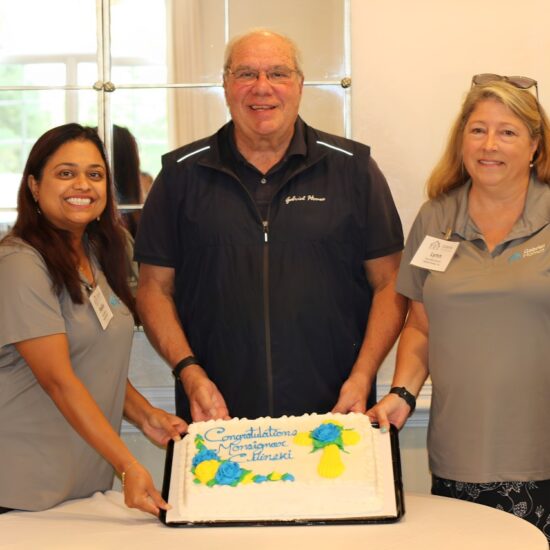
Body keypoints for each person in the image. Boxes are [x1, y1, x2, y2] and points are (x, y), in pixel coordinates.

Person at [135, 29, 407, 423]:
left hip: (336, 411)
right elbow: (153, 289)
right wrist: (189, 372)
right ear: (226, 86)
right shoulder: (180, 176)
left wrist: (363, 375)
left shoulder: (354, 169)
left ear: (299, 84)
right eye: (246, 74)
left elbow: (390, 282)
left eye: (278, 73)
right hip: (217, 415)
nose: (262, 88)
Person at [367, 74, 550, 541]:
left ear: (534, 146)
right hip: (458, 455)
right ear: (461, 140)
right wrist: (401, 394)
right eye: (478, 129)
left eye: (508, 132)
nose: (490, 144)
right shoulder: (436, 217)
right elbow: (422, 327)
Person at [0, 123, 187, 516]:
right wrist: (129, 464)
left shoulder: (95, 254)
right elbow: (60, 381)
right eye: (65, 173)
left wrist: (144, 414)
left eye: (95, 174)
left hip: (79, 490)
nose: (82, 185)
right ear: (34, 186)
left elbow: (92, 362)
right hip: (20, 493)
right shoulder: (19, 263)